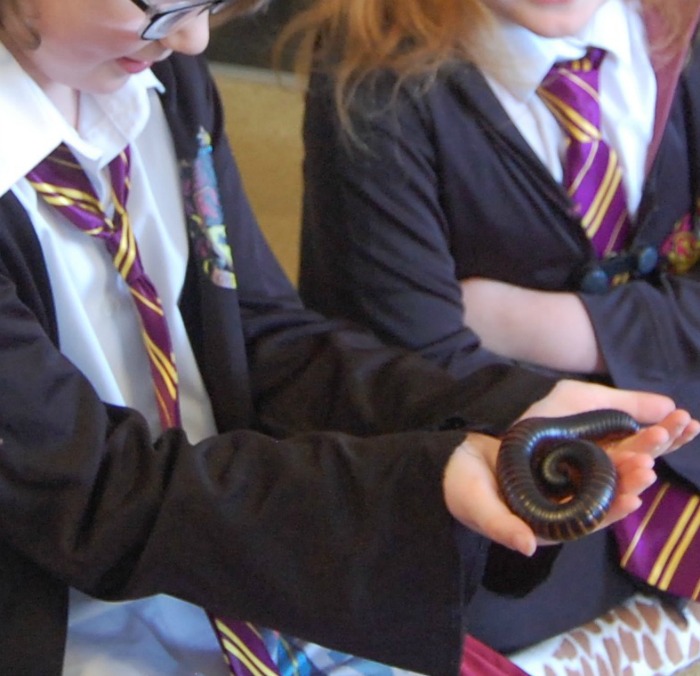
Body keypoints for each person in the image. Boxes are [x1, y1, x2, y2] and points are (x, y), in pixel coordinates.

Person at [0, 0, 695, 675]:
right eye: (164, 4)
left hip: (227, 571)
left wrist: (503, 406)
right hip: (75, 617)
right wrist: (415, 483)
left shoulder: (161, 79)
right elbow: (89, 491)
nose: (195, 42)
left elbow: (268, 339)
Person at [292, 0, 700, 657]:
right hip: (503, 485)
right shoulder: (379, 72)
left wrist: (553, 327)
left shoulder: (677, 24)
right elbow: (411, 362)